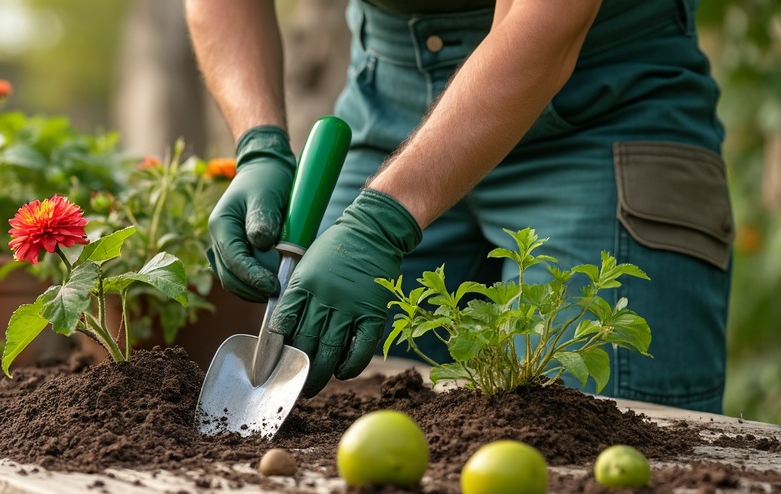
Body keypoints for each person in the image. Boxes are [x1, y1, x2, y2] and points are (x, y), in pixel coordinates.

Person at [185, 0, 733, 413]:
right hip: (391, 102)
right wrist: (259, 144)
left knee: (609, 444)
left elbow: (550, 19)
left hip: (603, 98)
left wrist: (380, 221)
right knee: (330, 418)